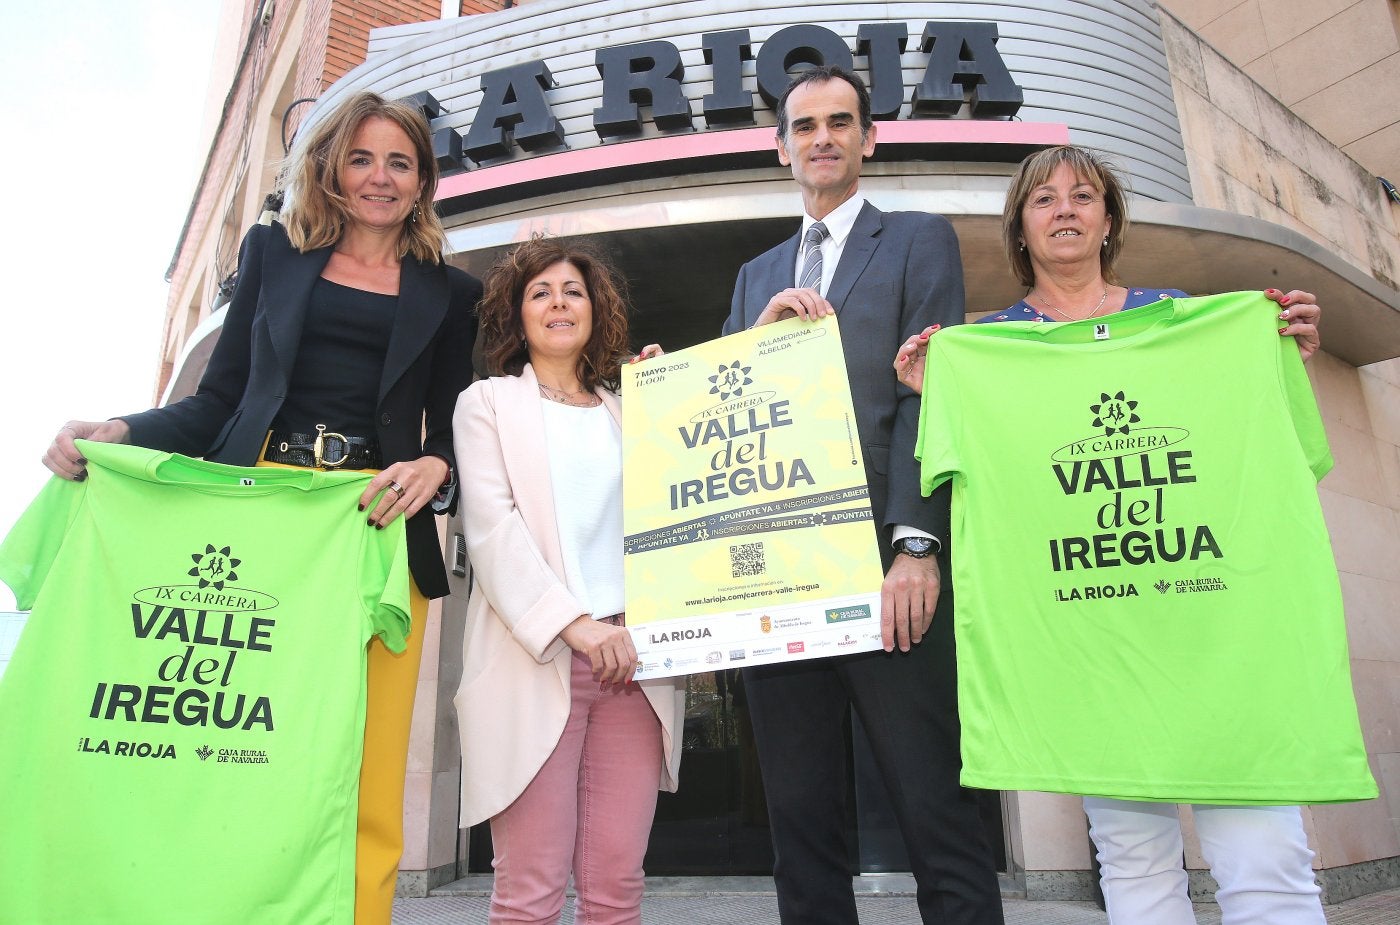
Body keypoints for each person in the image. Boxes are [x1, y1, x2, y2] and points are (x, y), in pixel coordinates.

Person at [41, 91, 480, 925]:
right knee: (247, 752)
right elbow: (218, 403)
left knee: (367, 767)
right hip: (263, 525)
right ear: (329, 168)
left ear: (423, 179)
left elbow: (456, 426)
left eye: (400, 162)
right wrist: (121, 429)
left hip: (372, 532)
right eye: (361, 157)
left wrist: (437, 467)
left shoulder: (450, 293)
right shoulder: (274, 255)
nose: (379, 178)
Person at [894, 143, 1326, 925]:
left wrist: (1276, 353)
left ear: (1109, 220)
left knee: (1268, 861)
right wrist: (940, 390)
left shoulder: (1184, 321)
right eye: (1044, 198)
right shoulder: (985, 348)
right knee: (1134, 867)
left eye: (1084, 195)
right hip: (1096, 651)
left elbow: (1266, 454)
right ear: (1019, 229)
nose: (1065, 208)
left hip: (1218, 643)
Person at [723, 64, 1004, 925]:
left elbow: (932, 393)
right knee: (801, 826)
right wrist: (748, 347)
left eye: (840, 122)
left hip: (886, 575)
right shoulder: (753, 274)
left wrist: (917, 541)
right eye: (804, 126)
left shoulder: (920, 239)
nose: (823, 138)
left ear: (868, 138)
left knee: (936, 812)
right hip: (782, 579)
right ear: (781, 149)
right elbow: (729, 414)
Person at [452, 237, 685, 925]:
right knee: (529, 893)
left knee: (617, 890)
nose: (559, 302)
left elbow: (689, 502)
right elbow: (493, 532)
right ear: (516, 315)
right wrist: (576, 625)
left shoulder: (629, 407)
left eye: (573, 291)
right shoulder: (486, 404)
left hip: (636, 664)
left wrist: (670, 397)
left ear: (596, 309)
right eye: (540, 292)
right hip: (541, 655)